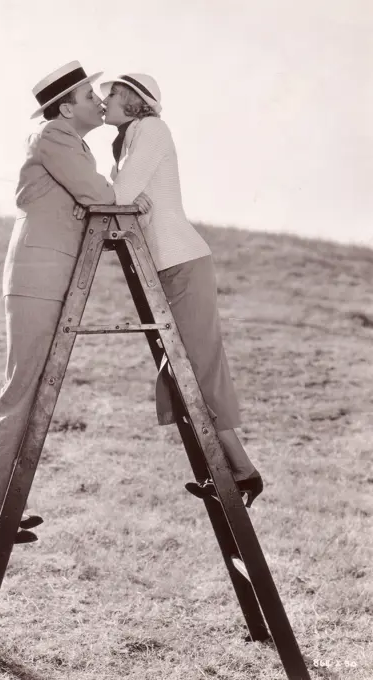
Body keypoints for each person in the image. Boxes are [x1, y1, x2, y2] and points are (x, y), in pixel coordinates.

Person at [0, 61, 151, 542]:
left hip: (51, 277)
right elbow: (101, 196)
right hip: (36, 276)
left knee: (32, 389)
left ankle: (2, 505)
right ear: (67, 108)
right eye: (91, 96)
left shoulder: (70, 143)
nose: (99, 101)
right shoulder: (53, 136)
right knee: (22, 388)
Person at [98, 73, 263, 506]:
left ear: (135, 100)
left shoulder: (151, 129)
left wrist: (127, 200)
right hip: (166, 268)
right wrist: (127, 200)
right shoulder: (125, 140)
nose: (104, 99)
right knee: (181, 370)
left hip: (184, 263)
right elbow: (122, 201)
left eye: (112, 92)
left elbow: (120, 197)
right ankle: (227, 470)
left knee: (196, 370)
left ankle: (243, 473)